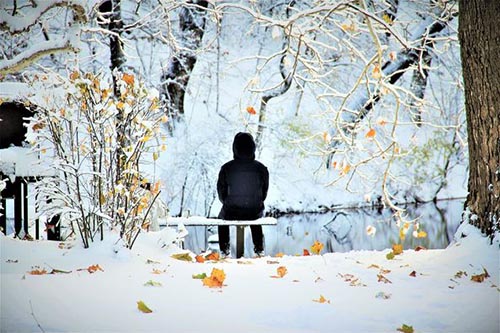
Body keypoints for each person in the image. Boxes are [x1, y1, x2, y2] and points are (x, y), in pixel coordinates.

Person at [217, 132, 269, 257]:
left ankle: (225, 251)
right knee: (255, 214)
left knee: (221, 218)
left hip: (231, 211)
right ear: (253, 148)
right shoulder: (261, 168)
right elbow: (264, 193)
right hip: (254, 210)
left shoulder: (226, 168)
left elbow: (221, 191)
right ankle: (259, 249)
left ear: (235, 148)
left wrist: (229, 202)